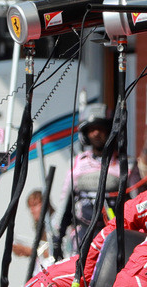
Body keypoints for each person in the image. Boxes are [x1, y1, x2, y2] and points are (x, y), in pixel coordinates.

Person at [53, 103, 129, 258]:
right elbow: (64, 207)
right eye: (92, 129)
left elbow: (139, 203)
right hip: (82, 240)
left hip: (116, 239)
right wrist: (57, 239)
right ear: (85, 133)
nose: (96, 133)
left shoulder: (126, 165)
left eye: (100, 128)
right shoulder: (77, 165)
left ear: (110, 130)